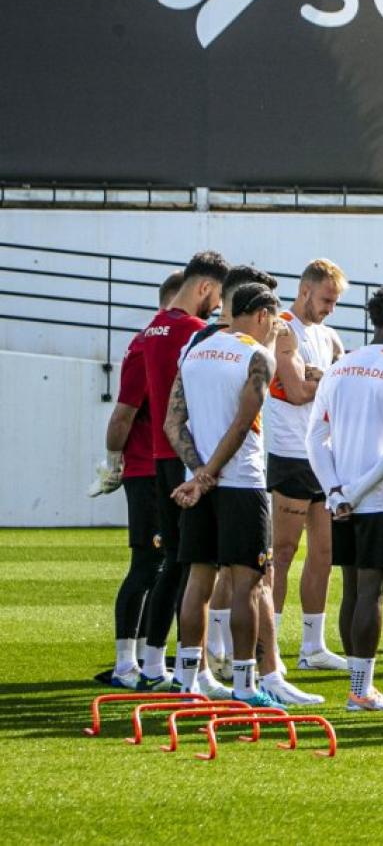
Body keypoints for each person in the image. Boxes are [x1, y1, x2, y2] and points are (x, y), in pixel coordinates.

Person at [96, 252, 227, 690]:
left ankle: (144, 663)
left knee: (164, 563)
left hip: (153, 462)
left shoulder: (149, 332)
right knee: (166, 564)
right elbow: (125, 412)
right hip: (160, 465)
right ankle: (140, 664)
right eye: (219, 298)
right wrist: (115, 461)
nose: (219, 309)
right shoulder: (191, 332)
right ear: (205, 289)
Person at [164, 282, 284, 711]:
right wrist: (211, 474)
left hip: (200, 483)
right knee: (247, 585)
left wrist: (197, 474)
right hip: (241, 483)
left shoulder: (195, 352)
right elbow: (242, 423)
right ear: (264, 315)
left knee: (199, 578)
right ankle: (246, 685)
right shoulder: (258, 357)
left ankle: (186, 679)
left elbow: (172, 423)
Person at [306, 282, 383, 712]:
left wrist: (335, 488)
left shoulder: (341, 365)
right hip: (382, 497)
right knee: (372, 593)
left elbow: (315, 436)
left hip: (341, 496)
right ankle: (361, 690)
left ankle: (357, 687)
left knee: (352, 590)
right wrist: (355, 491)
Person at [266, 259, 349, 676]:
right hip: (289, 452)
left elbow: (346, 385)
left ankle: (312, 645)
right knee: (282, 552)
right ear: (305, 291)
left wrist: (327, 375)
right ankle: (271, 645)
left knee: (324, 552)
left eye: (334, 302)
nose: (330, 308)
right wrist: (326, 379)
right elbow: (298, 391)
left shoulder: (329, 334)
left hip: (324, 454)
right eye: (326, 300)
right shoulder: (283, 329)